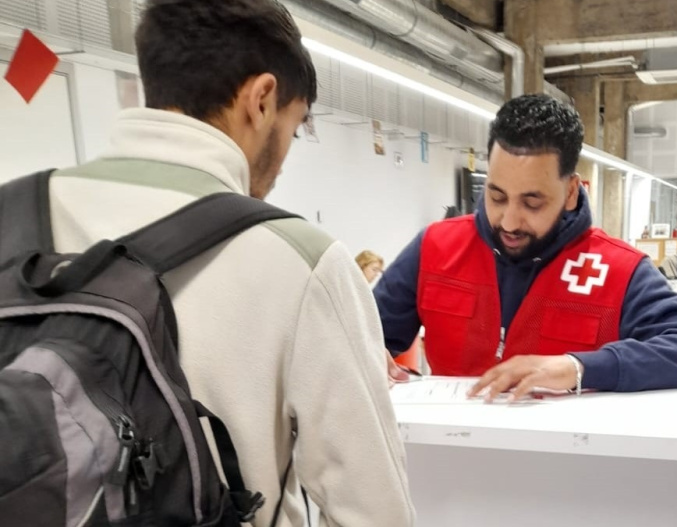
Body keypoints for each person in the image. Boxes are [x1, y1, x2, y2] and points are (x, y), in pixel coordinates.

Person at [35, 0, 413, 525]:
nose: (283, 162)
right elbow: (374, 512)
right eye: (294, 128)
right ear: (261, 100)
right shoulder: (302, 262)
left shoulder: (15, 217)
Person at [376, 94, 677, 401]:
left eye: (532, 203)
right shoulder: (436, 247)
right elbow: (361, 333)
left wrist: (579, 367)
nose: (509, 222)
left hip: (563, 455)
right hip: (447, 449)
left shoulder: (618, 271)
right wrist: (370, 356)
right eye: (496, 197)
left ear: (571, 192)